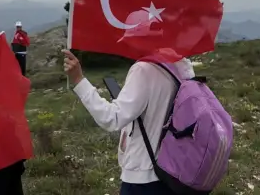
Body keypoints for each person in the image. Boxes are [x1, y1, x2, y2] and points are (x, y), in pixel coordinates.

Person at [63, 50, 194, 195]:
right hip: (174, 172)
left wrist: (79, 80)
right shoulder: (183, 65)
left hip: (144, 176)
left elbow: (112, 118)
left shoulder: (144, 69)